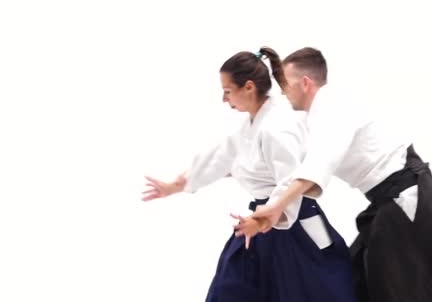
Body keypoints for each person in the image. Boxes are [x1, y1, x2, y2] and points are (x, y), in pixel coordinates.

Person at [236, 47, 432, 302]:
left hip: (407, 198)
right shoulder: (315, 118)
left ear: (305, 83)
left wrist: (276, 206)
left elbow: (317, 165)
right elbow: (292, 160)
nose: (283, 92)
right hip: (387, 205)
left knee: (410, 286)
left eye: (285, 84)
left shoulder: (331, 108)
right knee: (357, 282)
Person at [142, 47, 356, 302]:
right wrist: (177, 184)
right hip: (260, 221)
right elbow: (221, 158)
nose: (224, 99)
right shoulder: (250, 126)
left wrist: (264, 219)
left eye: (227, 91)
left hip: (292, 221)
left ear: (249, 87)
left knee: (312, 290)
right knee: (232, 288)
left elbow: (290, 180)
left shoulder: (278, 126)